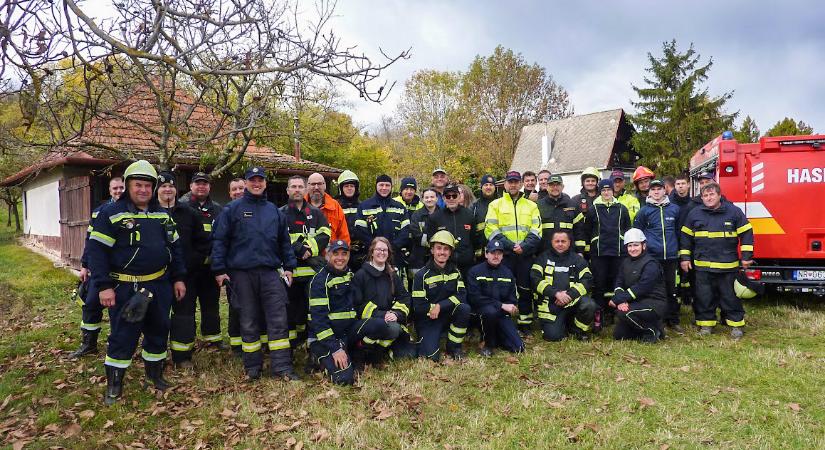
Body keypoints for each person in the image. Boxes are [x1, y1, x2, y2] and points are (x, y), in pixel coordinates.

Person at [86, 160, 186, 405]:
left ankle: (155, 375)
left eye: (147, 185)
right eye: (138, 185)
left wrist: (179, 278)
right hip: (125, 287)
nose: (143, 190)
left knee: (159, 330)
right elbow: (96, 253)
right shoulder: (111, 214)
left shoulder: (162, 215)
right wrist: (103, 286)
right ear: (128, 186)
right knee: (123, 335)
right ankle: (114, 385)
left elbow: (175, 248)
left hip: (159, 285)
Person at [212, 166, 299, 381]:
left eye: (260, 180)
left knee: (278, 319)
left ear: (265, 183)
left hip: (270, 273)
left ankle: (282, 367)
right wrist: (219, 269)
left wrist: (289, 266)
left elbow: (284, 242)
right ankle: (252, 366)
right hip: (242, 274)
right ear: (247, 183)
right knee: (248, 319)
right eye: (253, 180)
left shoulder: (273, 211)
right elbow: (220, 240)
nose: (257, 183)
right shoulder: (232, 210)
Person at [680, 182, 754, 339]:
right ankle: (706, 325)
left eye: (712, 194)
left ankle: (736, 325)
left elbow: (746, 233)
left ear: (719, 195)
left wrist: (746, 257)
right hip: (703, 267)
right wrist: (685, 258)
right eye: (705, 195)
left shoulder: (733, 212)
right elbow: (685, 237)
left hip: (727, 267)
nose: (709, 198)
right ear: (701, 198)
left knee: (730, 297)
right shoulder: (694, 213)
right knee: (704, 297)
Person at [156, 172, 213, 369]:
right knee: (158, 316)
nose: (167, 189)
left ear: (176, 189)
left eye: (171, 186)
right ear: (157, 190)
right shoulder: (149, 213)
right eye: (163, 186)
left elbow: (203, 243)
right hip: (156, 276)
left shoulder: (189, 213)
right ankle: (156, 356)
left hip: (185, 275)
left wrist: (192, 262)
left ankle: (182, 357)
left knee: (184, 316)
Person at [70, 176, 124, 359]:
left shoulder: (132, 211)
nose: (119, 191)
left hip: (123, 271)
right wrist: (85, 265)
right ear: (109, 191)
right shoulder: (99, 212)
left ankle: (119, 346)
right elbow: (91, 242)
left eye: (122, 187)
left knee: (119, 311)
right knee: (91, 304)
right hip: (100, 269)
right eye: (115, 188)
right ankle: (89, 344)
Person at [485, 171, 542, 334]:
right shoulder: (495, 205)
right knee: (502, 289)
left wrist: (524, 246)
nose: (513, 184)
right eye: (510, 182)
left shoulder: (531, 206)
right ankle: (503, 321)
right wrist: (510, 246)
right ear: (505, 184)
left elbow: (537, 229)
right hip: (505, 255)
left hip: (525, 254)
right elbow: (491, 230)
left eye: (516, 182)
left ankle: (525, 323)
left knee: (525, 289)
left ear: (521, 184)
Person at [281, 175, 331, 348]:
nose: (297, 190)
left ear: (305, 190)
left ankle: (308, 340)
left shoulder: (316, 213)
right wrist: (298, 249)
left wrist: (309, 249)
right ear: (287, 190)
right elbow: (277, 238)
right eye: (293, 186)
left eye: (300, 187)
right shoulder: (280, 214)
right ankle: (291, 343)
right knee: (289, 307)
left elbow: (325, 234)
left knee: (309, 307)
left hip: (311, 273)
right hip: (289, 271)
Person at [351, 237, 418, 363]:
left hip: (390, 321)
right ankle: (366, 350)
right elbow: (358, 305)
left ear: (388, 254)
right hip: (368, 323)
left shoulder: (392, 275)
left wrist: (396, 314)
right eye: (378, 249)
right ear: (372, 252)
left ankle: (381, 349)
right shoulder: (361, 275)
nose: (381, 252)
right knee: (392, 329)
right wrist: (383, 315)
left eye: (384, 250)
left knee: (409, 354)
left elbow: (404, 297)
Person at [179, 172, 224, 348]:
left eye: (205, 183)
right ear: (191, 186)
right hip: (188, 269)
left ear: (209, 187)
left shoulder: (218, 210)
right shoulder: (182, 207)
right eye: (197, 183)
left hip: (210, 268)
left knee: (211, 305)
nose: (201, 186)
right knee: (186, 307)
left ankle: (213, 340)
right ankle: (186, 343)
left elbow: (221, 238)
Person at [412, 230, 471, 361]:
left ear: (450, 252)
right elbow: (419, 307)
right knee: (431, 357)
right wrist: (435, 308)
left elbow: (461, 296)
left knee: (464, 308)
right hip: (428, 319)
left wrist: (440, 306)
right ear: (432, 250)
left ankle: (454, 347)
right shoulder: (421, 275)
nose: (442, 252)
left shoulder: (455, 272)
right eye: (438, 248)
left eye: (446, 249)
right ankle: (432, 338)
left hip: (447, 315)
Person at [634, 179, 682, 333]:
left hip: (671, 257)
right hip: (652, 258)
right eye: (653, 189)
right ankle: (657, 320)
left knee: (671, 289)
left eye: (659, 189)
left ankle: (673, 320)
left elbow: (679, 232)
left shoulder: (675, 209)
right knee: (655, 290)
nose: (656, 192)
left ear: (664, 190)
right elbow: (638, 233)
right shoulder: (644, 211)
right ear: (649, 192)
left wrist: (680, 251)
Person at [530, 230, 597, 341]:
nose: (560, 244)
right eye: (557, 241)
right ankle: (562, 326)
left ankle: (578, 330)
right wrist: (556, 293)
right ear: (552, 242)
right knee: (553, 336)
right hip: (552, 303)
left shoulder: (577, 259)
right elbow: (535, 279)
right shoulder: (542, 258)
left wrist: (569, 295)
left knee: (589, 305)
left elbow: (587, 280)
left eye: (563, 241)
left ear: (569, 242)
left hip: (573, 301)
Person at [585, 179, 631, 327]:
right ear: (600, 192)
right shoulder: (593, 209)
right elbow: (587, 230)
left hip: (618, 252)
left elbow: (627, 229)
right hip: (599, 253)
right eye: (603, 190)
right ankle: (599, 314)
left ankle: (613, 313)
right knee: (599, 284)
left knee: (615, 283)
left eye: (609, 190)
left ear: (613, 191)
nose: (606, 193)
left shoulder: (622, 208)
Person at [467, 240, 524, 356]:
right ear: (486, 254)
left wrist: (509, 306)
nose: (496, 256)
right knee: (490, 311)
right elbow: (474, 298)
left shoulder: (508, 273)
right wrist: (501, 305)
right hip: (481, 313)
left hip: (501, 314)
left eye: (499, 253)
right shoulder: (475, 271)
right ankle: (488, 344)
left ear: (502, 256)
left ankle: (497, 337)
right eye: (493, 253)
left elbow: (512, 299)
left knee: (518, 347)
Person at [610, 228, 667, 343]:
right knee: (619, 334)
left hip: (653, 303)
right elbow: (619, 283)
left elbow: (642, 288)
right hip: (636, 302)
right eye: (630, 246)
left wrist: (618, 299)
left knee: (624, 313)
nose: (633, 249)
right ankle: (656, 326)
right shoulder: (625, 262)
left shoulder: (651, 263)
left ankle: (651, 331)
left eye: (636, 245)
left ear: (643, 246)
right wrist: (621, 300)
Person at [354, 175, 410, 274]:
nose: (384, 188)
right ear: (376, 186)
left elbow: (405, 232)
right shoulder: (364, 206)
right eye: (381, 185)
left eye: (387, 185)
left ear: (391, 187)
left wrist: (391, 248)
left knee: (394, 282)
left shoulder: (400, 207)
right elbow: (360, 231)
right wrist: (377, 248)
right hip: (371, 256)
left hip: (394, 257)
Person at [426, 183, 476, 277]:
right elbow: (431, 241)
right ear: (444, 198)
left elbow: (474, 239)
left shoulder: (469, 215)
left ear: (459, 197)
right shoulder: (435, 217)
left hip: (466, 266)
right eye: (448, 196)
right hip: (444, 265)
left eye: (454, 196)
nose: (451, 199)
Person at [536, 174, 585, 254]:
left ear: (562, 187)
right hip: (545, 253)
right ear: (547, 187)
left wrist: (580, 251)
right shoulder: (538, 205)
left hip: (568, 253)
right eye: (552, 185)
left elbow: (579, 230)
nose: (555, 187)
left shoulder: (573, 205)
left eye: (558, 185)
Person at [306, 172, 350, 244]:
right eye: (313, 184)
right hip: (304, 251)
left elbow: (344, 237)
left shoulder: (335, 207)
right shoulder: (298, 207)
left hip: (331, 250)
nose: (316, 187)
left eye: (319, 184)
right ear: (307, 186)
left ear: (325, 186)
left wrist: (342, 250)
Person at [335, 170, 365, 269]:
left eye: (352, 186)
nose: (349, 188)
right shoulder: (335, 206)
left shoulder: (363, 206)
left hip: (360, 252)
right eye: (346, 186)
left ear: (356, 188)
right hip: (341, 250)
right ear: (341, 188)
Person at [409, 189, 439, 276]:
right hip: (418, 258)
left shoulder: (443, 214)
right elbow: (415, 234)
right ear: (422, 199)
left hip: (439, 256)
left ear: (437, 198)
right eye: (426, 197)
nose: (429, 199)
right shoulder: (416, 215)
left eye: (432, 197)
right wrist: (432, 242)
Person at [471, 174, 498, 261]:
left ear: (495, 187)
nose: (488, 187)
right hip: (481, 255)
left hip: (499, 251)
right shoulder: (475, 206)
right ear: (481, 187)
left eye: (491, 185)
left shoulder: (502, 204)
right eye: (486, 185)